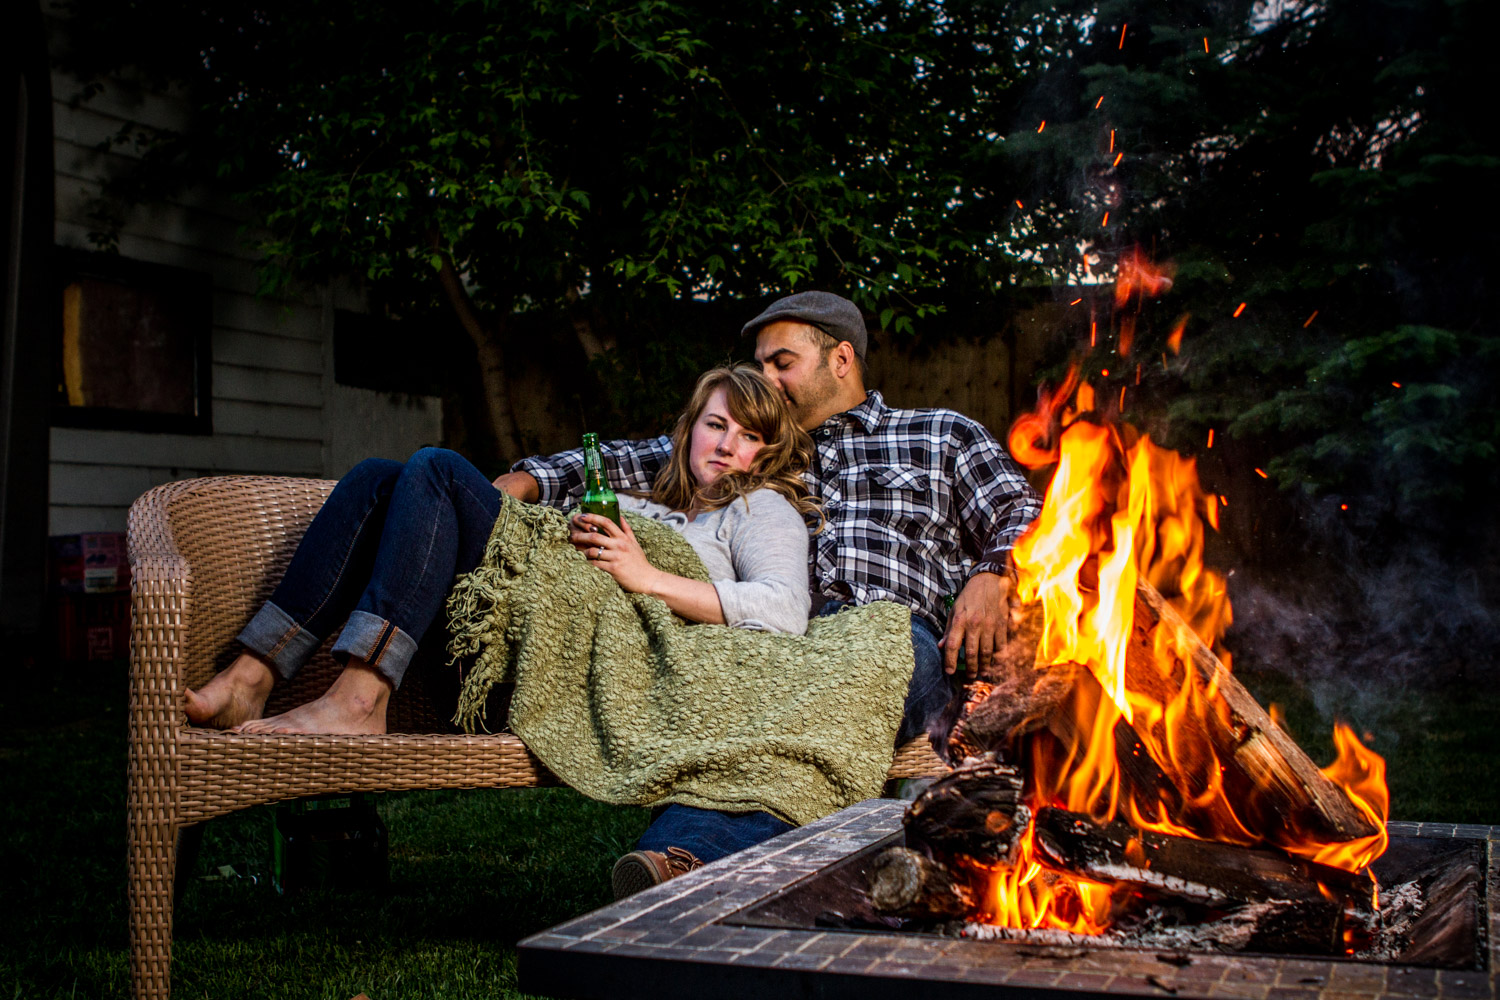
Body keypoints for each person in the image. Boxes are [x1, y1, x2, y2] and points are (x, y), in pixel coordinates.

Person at [494, 291, 1043, 748]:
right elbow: (634, 456)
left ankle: (694, 852)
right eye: (760, 364)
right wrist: (532, 479)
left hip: (897, 638)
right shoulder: (758, 442)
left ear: (841, 360)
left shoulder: (937, 434)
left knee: (847, 689)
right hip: (789, 638)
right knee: (764, 711)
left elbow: (1025, 511)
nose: (767, 379)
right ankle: (694, 854)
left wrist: (992, 572)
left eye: (782, 363)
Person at [183, 365, 818, 743]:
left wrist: (646, 575)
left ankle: (359, 697)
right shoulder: (644, 502)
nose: (729, 444)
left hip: (564, 677)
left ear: (766, 453)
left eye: (750, 435)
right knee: (379, 477)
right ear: (688, 430)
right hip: (503, 631)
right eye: (717, 424)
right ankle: (252, 675)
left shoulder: (759, 508)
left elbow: (785, 609)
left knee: (436, 467)